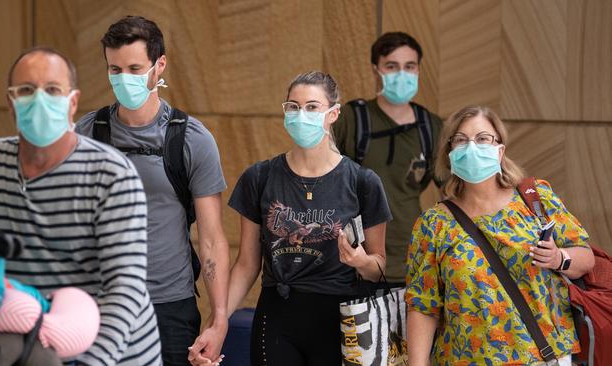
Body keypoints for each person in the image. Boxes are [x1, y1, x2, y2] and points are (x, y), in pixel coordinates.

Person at [0, 47, 161, 365]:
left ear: (72, 103)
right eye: (26, 90)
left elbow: (125, 288)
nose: (39, 100)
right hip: (23, 348)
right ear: (11, 103)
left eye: (52, 90)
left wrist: (89, 363)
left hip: (113, 354)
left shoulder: (111, 175)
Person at [75, 16, 230, 365]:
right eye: (115, 70)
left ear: (159, 65)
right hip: (98, 303)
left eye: (134, 68)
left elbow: (212, 239)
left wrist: (219, 319)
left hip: (169, 307)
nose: (123, 79)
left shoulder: (191, 139)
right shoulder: (85, 134)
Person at [405, 105, 595, 366]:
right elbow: (422, 305)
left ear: (500, 149)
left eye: (483, 138)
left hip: (543, 357)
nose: (472, 148)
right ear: (449, 154)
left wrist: (557, 258)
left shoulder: (535, 198)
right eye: (461, 140)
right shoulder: (433, 224)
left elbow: (586, 257)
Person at [224, 71, 392, 365]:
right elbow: (247, 264)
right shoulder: (260, 177)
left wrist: (360, 261)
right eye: (293, 106)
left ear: (333, 114)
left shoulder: (362, 182)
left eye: (312, 107)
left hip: (340, 319)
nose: (301, 115)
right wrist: (217, 322)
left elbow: (378, 268)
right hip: (277, 315)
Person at [333, 31, 443, 285]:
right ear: (376, 70)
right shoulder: (351, 119)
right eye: (392, 66)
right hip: (354, 258)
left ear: (418, 70)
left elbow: (453, 194)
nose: (401, 74)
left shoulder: (431, 127)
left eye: (409, 66)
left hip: (413, 257)